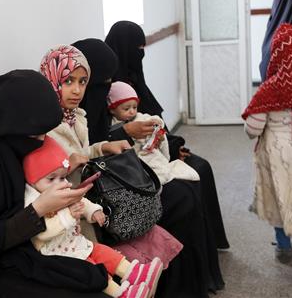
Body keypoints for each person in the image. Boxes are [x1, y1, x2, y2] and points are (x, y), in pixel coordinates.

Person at [0, 70, 109, 298]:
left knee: (94, 278)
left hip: (19, 252)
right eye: (35, 135)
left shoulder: (1, 146)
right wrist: (39, 209)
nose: (41, 142)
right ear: (10, 124)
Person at [73, 38, 223, 298]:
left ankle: (198, 280)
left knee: (194, 179)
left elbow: (145, 116)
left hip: (120, 169)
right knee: (180, 197)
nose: (79, 90)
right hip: (99, 194)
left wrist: (171, 144)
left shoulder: (88, 107)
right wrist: (123, 132)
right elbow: (85, 154)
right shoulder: (73, 113)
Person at [38, 44, 183, 271]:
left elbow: (81, 153)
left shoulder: (76, 117)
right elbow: (51, 169)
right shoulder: (45, 125)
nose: (77, 90)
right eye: (68, 81)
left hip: (92, 195)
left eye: (82, 82)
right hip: (71, 209)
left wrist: (103, 147)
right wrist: (70, 163)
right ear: (51, 80)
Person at [105, 21, 230, 256]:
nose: (141, 54)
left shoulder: (134, 78)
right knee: (187, 185)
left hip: (156, 147)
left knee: (202, 167)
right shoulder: (112, 88)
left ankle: (210, 244)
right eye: (137, 48)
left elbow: (153, 117)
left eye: (143, 48)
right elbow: (109, 133)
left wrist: (174, 146)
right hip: (136, 159)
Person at [23, 136, 163, 298]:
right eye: (51, 179)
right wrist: (68, 216)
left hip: (75, 241)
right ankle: (121, 293)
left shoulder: (61, 189)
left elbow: (80, 199)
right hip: (58, 255)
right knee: (93, 270)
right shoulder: (32, 202)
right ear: (33, 181)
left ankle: (135, 272)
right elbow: (41, 232)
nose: (59, 183)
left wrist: (93, 211)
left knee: (104, 252)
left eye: (62, 177)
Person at [242, 24, 292, 266]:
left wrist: (254, 129)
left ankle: (284, 245)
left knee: (279, 199)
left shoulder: (270, 89)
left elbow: (253, 129)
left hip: (276, 155)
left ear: (276, 56)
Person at [107, 81, 200, 184]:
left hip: (150, 154)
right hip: (135, 163)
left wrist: (157, 128)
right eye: (126, 108)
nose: (132, 112)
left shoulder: (139, 118)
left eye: (135, 107)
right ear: (112, 109)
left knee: (198, 168)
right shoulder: (111, 126)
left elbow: (152, 120)